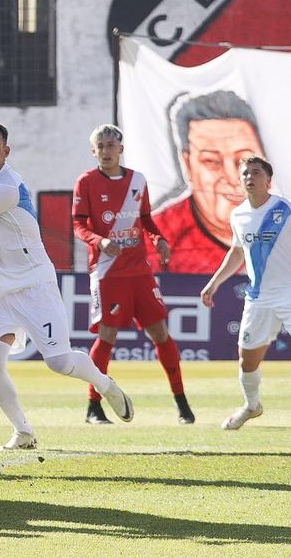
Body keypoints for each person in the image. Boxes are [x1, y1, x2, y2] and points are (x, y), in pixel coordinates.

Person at [0, 121, 133, 450]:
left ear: (6, 152)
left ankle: (104, 384)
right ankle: (23, 430)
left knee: (59, 362)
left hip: (33, 286)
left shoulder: (7, 187)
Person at [200, 156, 291, 432]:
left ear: (268, 180)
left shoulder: (289, 209)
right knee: (247, 359)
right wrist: (214, 283)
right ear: (240, 181)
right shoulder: (238, 215)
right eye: (245, 174)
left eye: (255, 172)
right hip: (258, 298)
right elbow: (237, 252)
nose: (250, 177)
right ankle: (252, 406)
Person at [72, 124, 194, 425]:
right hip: (107, 271)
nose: (106, 150)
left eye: (110, 144)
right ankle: (93, 406)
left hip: (140, 271)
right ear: (93, 151)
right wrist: (99, 241)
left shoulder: (137, 181)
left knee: (161, 333)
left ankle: (181, 403)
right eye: (100, 145)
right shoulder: (85, 182)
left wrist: (159, 240)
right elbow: (78, 224)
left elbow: (145, 220)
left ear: (120, 149)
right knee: (108, 335)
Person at [152, 91, 263, 273]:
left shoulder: (289, 226)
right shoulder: (157, 236)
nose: (232, 177)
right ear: (187, 164)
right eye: (211, 161)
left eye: (244, 160)